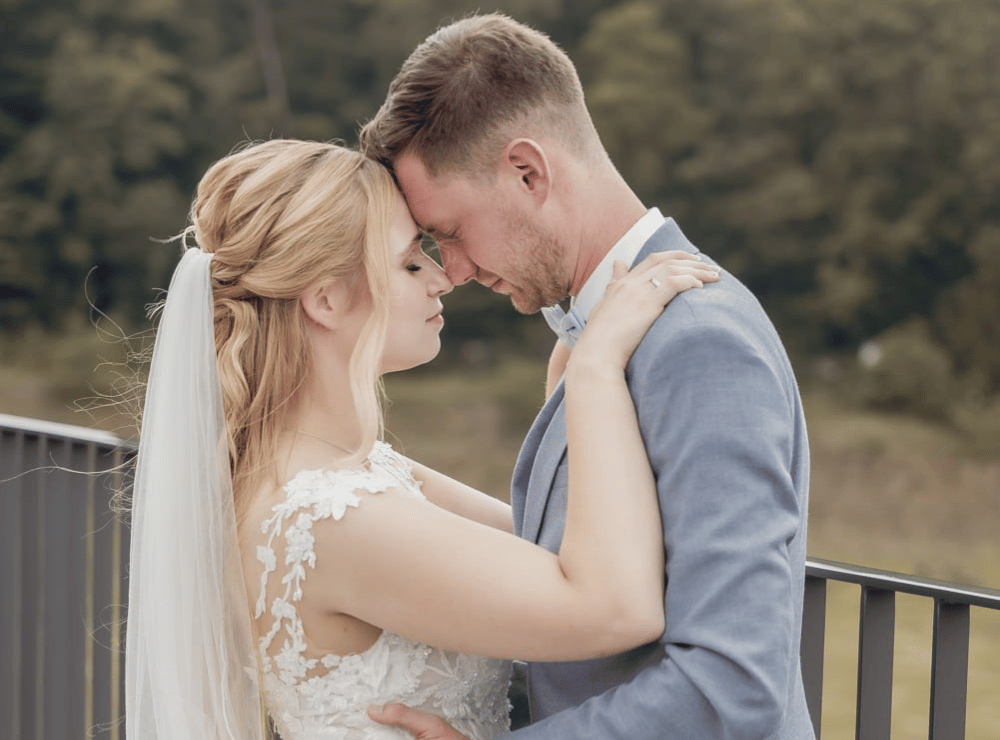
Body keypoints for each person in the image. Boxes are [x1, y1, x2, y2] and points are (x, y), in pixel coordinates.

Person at [123, 139, 720, 740]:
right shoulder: (331, 518)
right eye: (410, 263)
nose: (442, 278)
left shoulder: (352, 473)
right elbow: (618, 609)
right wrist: (596, 372)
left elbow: (549, 543)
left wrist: (566, 381)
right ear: (325, 299)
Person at [359, 13, 815, 740]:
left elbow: (736, 683)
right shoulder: (601, 339)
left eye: (449, 232)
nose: (459, 270)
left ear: (528, 172)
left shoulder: (700, 342)